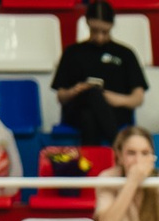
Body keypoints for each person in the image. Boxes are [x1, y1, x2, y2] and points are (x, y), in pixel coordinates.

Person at [52, 0, 148, 147]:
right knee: (91, 95)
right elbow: (61, 96)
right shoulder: (72, 52)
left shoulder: (125, 54)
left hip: (115, 113)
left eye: (105, 32)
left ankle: (92, 164)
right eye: (94, 31)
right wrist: (74, 91)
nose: (99, 37)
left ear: (112, 26)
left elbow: (138, 98)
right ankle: (117, 146)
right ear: (87, 24)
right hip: (75, 111)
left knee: (89, 115)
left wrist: (115, 99)